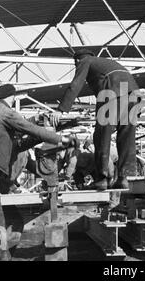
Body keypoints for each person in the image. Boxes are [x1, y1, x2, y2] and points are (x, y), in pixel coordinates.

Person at [0, 84, 74, 261]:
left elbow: (17, 138)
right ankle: (0, 257)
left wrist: (37, 126)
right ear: (12, 98)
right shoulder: (5, 111)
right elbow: (27, 128)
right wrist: (60, 139)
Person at [51, 49, 139, 190]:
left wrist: (61, 109)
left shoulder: (85, 61)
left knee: (101, 136)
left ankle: (102, 179)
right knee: (126, 136)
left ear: (77, 61)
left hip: (112, 91)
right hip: (134, 93)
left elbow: (76, 84)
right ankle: (123, 178)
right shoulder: (105, 63)